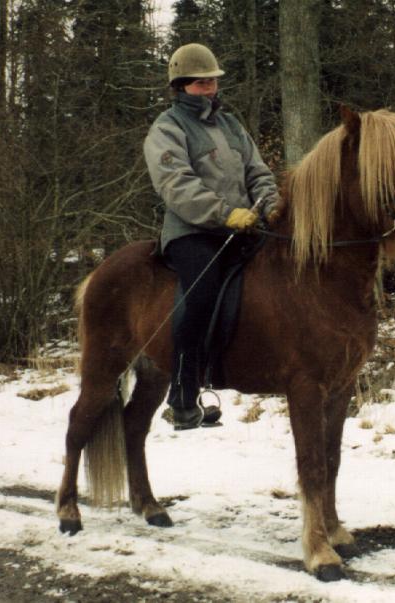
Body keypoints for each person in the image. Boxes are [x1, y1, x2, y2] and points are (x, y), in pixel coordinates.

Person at [144, 43, 280, 431]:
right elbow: (175, 184)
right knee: (201, 292)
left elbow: (257, 171)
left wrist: (270, 204)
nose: (210, 88)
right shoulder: (167, 128)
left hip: (245, 226)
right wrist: (224, 213)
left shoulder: (231, 124)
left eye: (213, 81)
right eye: (202, 83)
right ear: (182, 85)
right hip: (193, 231)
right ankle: (184, 394)